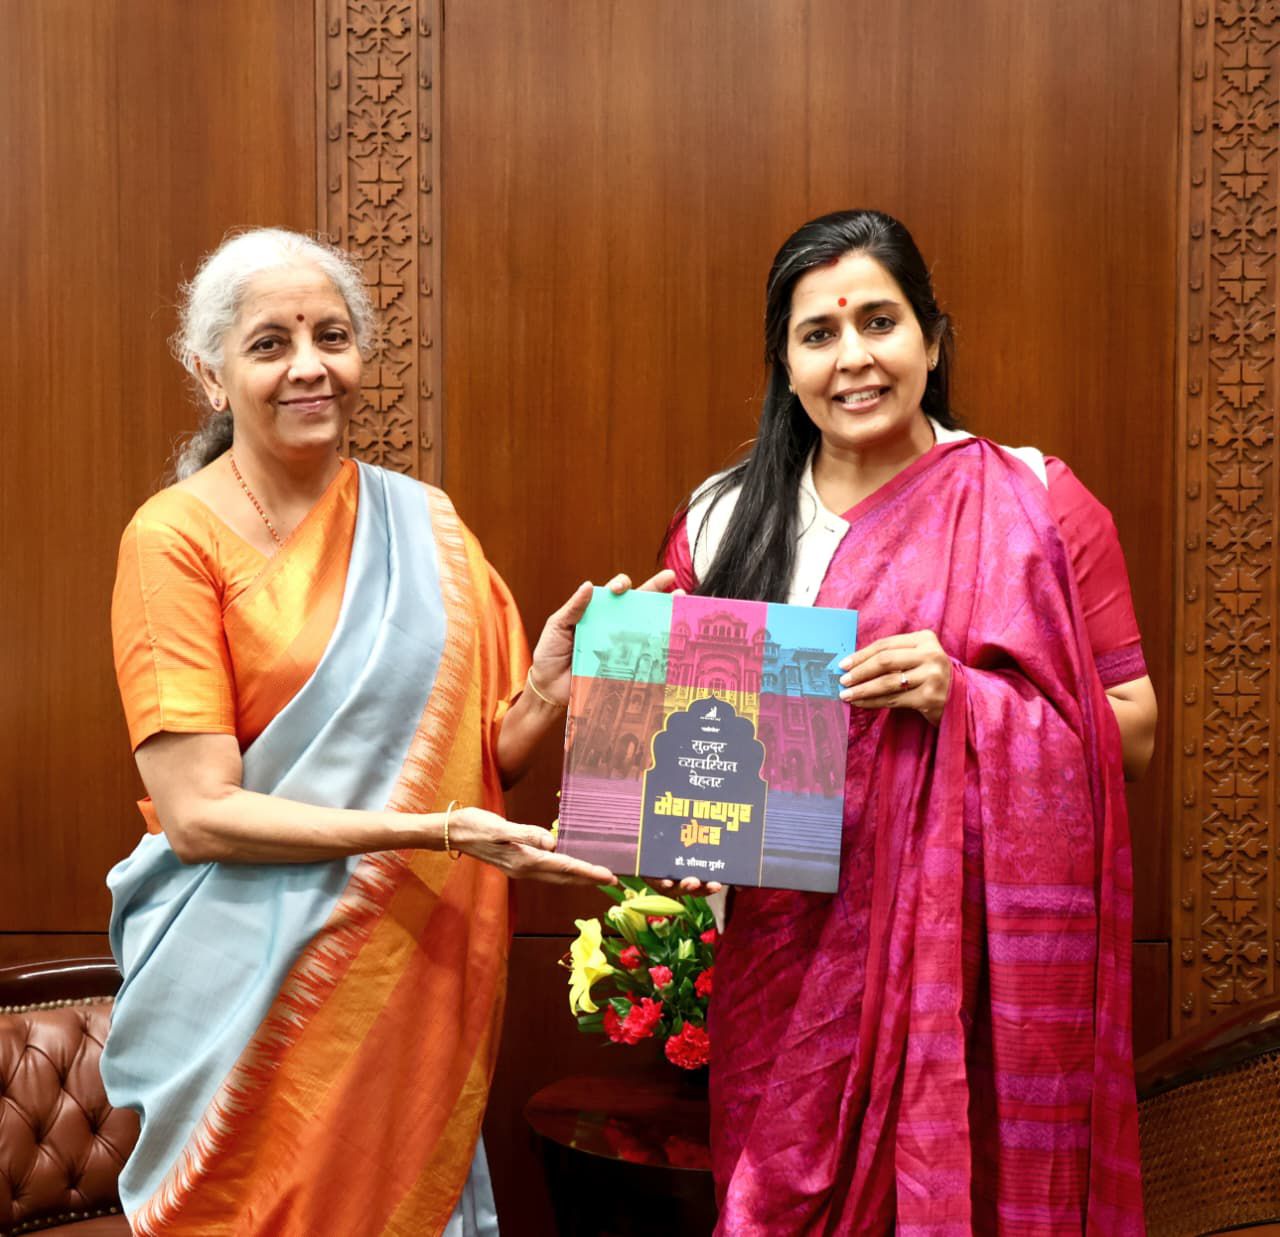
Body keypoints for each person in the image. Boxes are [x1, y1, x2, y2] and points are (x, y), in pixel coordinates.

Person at [104, 228, 645, 1236]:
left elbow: (483, 765)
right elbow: (199, 816)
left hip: (401, 977)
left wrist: (542, 696)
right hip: (236, 989)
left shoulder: (424, 524)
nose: (309, 365)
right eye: (270, 343)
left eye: (331, 335)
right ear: (210, 372)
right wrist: (431, 834)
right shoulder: (171, 539)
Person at [663, 210, 1152, 1232]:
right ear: (782, 363)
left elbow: (1132, 731)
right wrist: (664, 808)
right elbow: (697, 771)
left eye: (878, 323)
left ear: (930, 339)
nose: (853, 358)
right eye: (818, 334)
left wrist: (964, 700)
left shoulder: (1034, 502)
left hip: (971, 976)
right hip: (781, 965)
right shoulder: (721, 521)